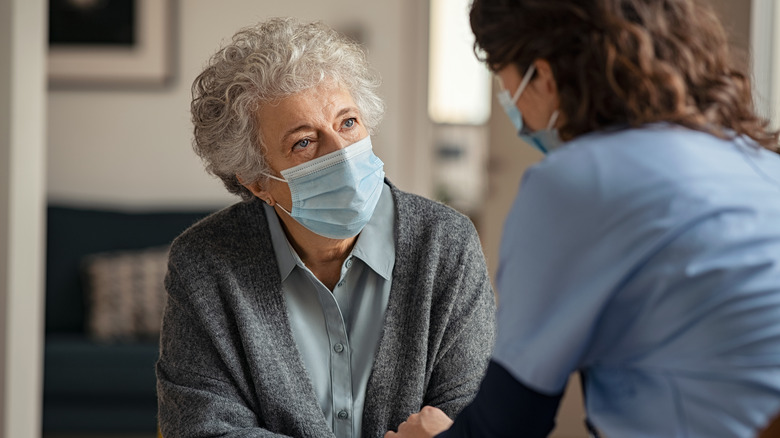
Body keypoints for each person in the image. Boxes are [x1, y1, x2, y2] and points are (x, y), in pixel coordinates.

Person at [386, 0, 780, 437]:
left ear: (544, 77)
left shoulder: (578, 181)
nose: (512, 110)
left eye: (505, 83)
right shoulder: (758, 160)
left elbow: (508, 425)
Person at [155, 17, 496, 438]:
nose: (342, 154)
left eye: (348, 122)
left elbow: (474, 419)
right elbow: (203, 429)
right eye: (304, 142)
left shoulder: (447, 245)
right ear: (258, 182)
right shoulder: (204, 263)